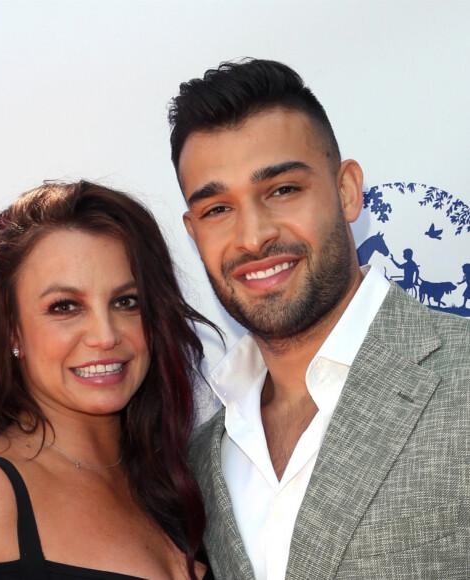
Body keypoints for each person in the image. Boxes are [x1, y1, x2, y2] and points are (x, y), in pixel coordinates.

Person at [167, 59, 470, 579]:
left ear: (348, 190)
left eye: (282, 190)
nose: (253, 236)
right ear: (193, 233)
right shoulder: (199, 459)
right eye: (218, 209)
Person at [0, 181, 217, 580]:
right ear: (12, 331)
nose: (105, 335)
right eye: (65, 307)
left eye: (126, 301)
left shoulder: (173, 477)